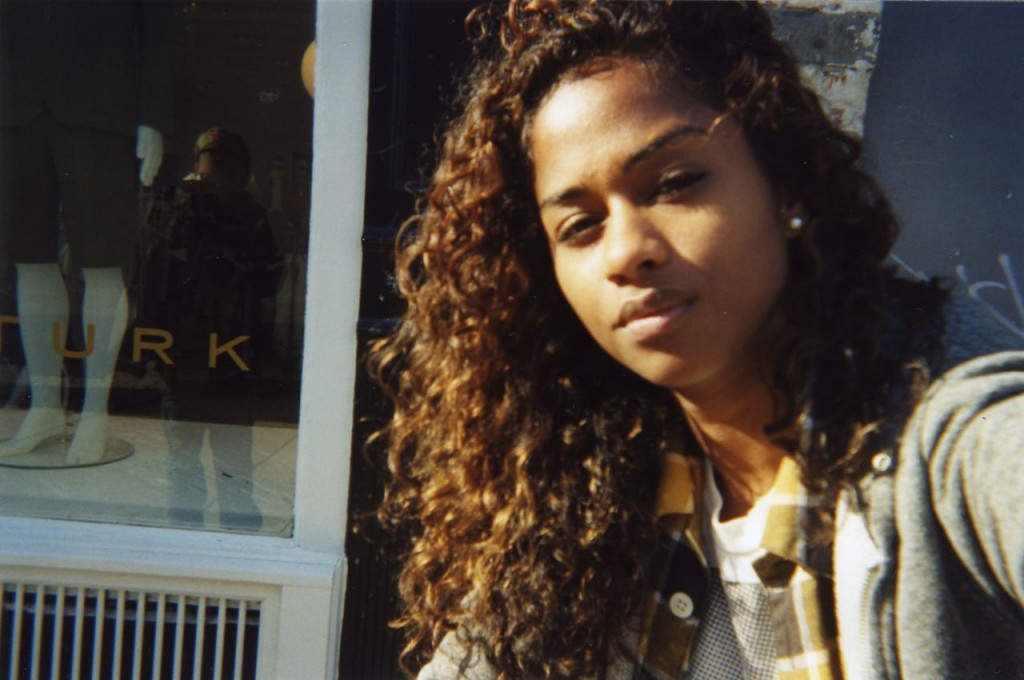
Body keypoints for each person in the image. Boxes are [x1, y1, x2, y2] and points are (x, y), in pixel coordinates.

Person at [370, 2, 1024, 679]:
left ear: (785, 183)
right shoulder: (587, 499)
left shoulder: (951, 449)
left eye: (676, 183)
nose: (627, 251)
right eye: (580, 226)